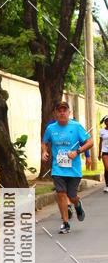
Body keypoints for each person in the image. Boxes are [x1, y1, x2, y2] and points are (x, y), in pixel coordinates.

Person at [41, 100, 92, 233]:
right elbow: (44, 141)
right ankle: (65, 223)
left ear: (69, 113)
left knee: (72, 195)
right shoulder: (51, 128)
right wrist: (44, 151)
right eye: (59, 110)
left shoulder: (76, 127)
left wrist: (77, 152)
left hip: (73, 170)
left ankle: (77, 204)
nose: (62, 113)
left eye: (65, 110)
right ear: (55, 114)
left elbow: (89, 142)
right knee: (61, 194)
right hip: (58, 168)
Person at [98, 115, 108, 192]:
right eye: (107, 121)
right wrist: (99, 153)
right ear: (105, 122)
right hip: (105, 152)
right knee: (107, 167)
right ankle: (107, 185)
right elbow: (100, 142)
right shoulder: (102, 131)